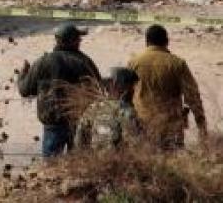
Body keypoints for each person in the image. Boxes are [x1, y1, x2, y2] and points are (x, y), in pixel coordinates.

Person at [18, 23, 101, 157]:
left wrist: (22, 74)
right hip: (78, 121)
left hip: (52, 123)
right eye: (78, 38)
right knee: (79, 163)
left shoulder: (42, 62)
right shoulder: (84, 62)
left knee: (51, 167)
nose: (80, 41)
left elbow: (24, 90)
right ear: (73, 41)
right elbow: (97, 91)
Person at [128, 25, 207, 149]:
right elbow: (193, 96)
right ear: (167, 41)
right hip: (171, 125)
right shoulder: (177, 64)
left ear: (146, 42)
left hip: (142, 123)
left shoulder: (134, 62)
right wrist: (201, 127)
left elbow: (125, 94)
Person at [75, 67, 142, 150]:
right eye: (133, 87)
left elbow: (79, 141)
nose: (135, 91)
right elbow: (135, 147)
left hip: (93, 160)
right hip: (117, 161)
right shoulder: (126, 112)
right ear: (126, 88)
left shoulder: (93, 108)